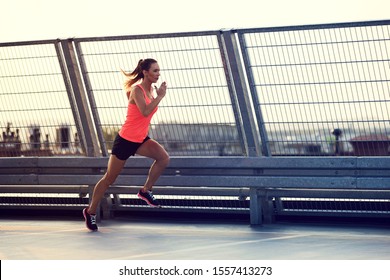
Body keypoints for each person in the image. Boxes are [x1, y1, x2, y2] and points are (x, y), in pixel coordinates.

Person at [83, 58, 170, 231]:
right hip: (125, 141)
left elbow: (141, 111)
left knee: (164, 158)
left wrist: (156, 95)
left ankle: (145, 191)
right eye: (155, 71)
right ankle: (90, 212)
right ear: (145, 72)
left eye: (159, 71)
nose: (158, 74)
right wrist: (160, 97)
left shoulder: (151, 90)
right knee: (109, 178)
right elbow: (145, 112)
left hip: (140, 139)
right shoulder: (136, 89)